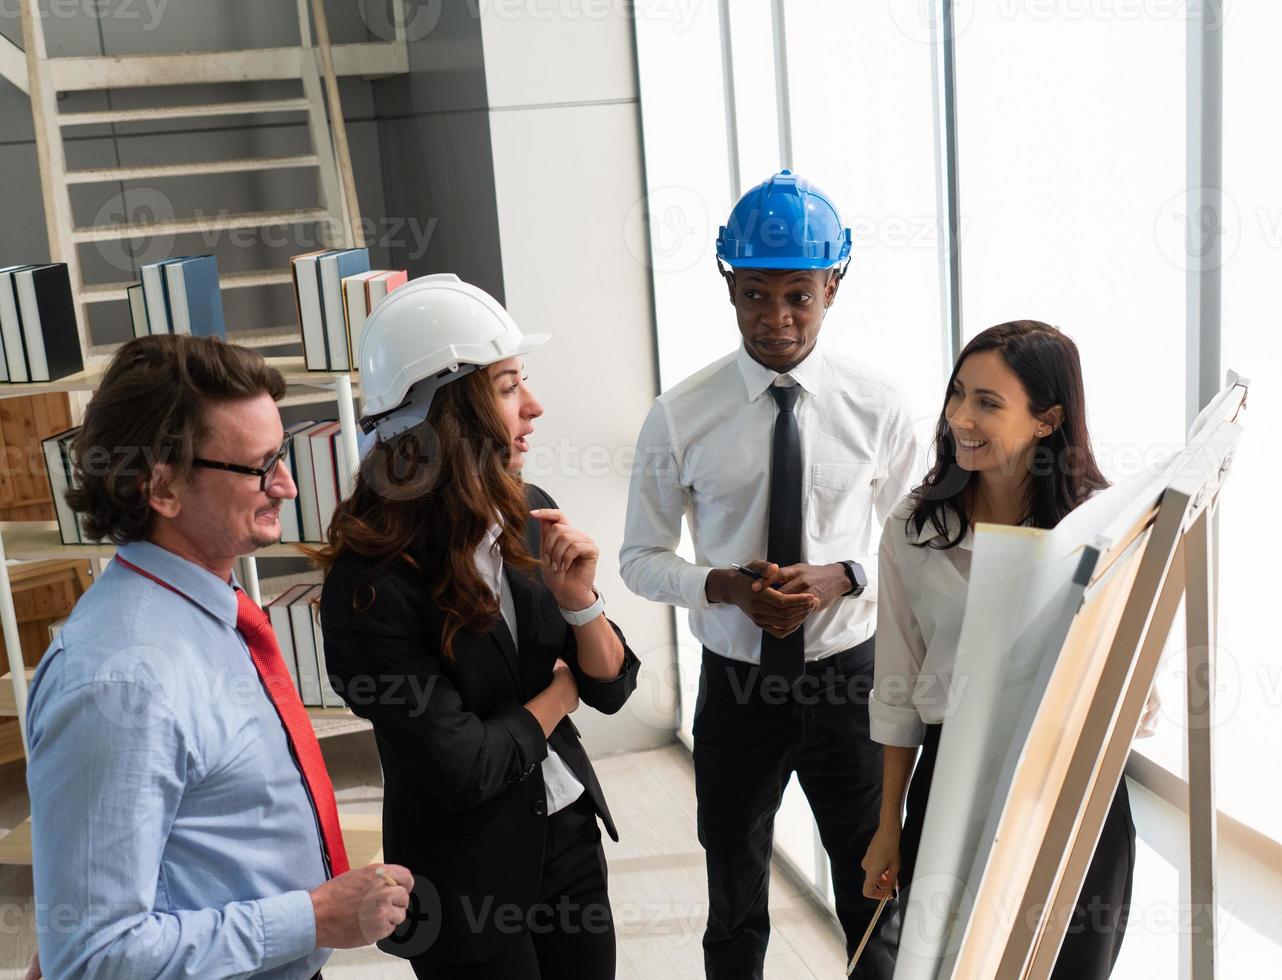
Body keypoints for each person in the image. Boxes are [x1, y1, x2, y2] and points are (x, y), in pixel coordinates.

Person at [25, 335, 413, 980]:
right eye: (260, 466)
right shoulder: (120, 683)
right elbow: (91, 956)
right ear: (164, 489)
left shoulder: (212, 609)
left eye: (282, 455)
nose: (286, 486)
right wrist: (311, 919)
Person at [621, 170, 921, 979]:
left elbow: (918, 545)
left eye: (799, 295)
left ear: (834, 284)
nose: (777, 319)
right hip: (737, 689)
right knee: (733, 900)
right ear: (728, 286)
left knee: (875, 896)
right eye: (754, 295)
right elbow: (639, 560)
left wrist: (843, 576)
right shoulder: (680, 413)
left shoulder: (880, 407)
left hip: (849, 686)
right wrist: (720, 586)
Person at [315, 275, 641, 980]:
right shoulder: (369, 585)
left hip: (568, 838)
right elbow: (464, 769)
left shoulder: (531, 511)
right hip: (465, 882)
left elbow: (611, 687)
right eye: (505, 386)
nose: (534, 406)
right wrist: (558, 696)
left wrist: (580, 603)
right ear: (446, 415)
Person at [861, 320, 1137, 979]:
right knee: (950, 963)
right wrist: (888, 823)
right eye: (957, 394)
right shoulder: (913, 524)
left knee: (1068, 966)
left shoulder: (1102, 530)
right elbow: (897, 685)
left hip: (1069, 786)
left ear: (1047, 421)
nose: (959, 417)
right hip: (948, 775)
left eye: (987, 402)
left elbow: (1132, 691)